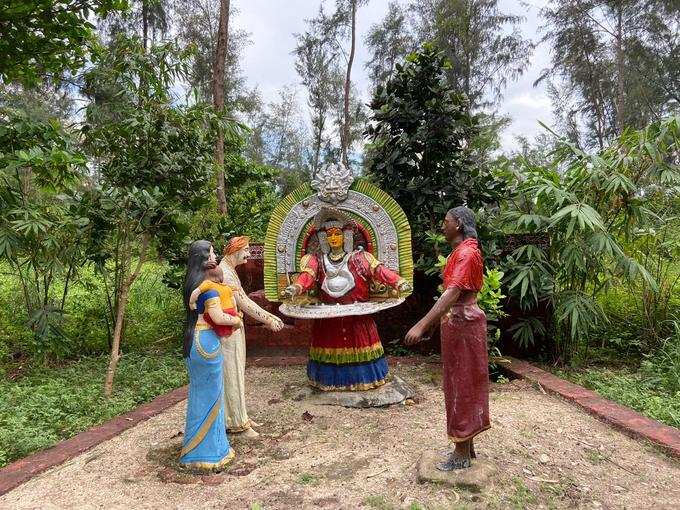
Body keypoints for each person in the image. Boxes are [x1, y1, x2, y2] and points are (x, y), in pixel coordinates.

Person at [284, 208, 411, 391]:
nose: (334, 238)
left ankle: (363, 380)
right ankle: (329, 381)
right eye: (329, 235)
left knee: (360, 343)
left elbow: (379, 271)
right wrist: (295, 287)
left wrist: (398, 282)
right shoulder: (317, 260)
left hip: (357, 316)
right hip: (328, 319)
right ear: (324, 239)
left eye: (337, 233)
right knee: (329, 346)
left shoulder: (360, 257)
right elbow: (307, 276)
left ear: (346, 236)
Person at [405, 207, 490, 470]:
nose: (443, 226)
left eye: (446, 222)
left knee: (462, 384)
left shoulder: (466, 253)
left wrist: (421, 325)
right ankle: (466, 445)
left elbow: (452, 293)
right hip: (461, 321)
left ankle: (462, 451)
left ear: (460, 224)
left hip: (463, 321)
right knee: (461, 382)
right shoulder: (464, 252)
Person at [180, 240, 242, 470]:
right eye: (212, 254)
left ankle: (195, 449)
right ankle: (210, 452)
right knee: (212, 395)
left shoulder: (191, 284)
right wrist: (236, 321)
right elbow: (218, 318)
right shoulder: (209, 288)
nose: (215, 258)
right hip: (206, 342)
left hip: (191, 342)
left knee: (199, 394)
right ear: (204, 259)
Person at [219, 236, 284, 438]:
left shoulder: (229, 270)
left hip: (234, 327)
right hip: (229, 331)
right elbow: (244, 303)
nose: (248, 254)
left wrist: (270, 316)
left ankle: (240, 416)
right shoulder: (226, 274)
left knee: (236, 374)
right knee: (232, 375)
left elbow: (244, 301)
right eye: (246, 250)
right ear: (234, 251)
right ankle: (237, 423)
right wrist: (268, 318)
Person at [188, 265, 239, 338]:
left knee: (209, 319)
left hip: (219, 312)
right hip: (230, 311)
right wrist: (235, 313)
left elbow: (195, 292)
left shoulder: (208, 284)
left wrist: (191, 303)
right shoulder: (227, 287)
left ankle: (222, 333)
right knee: (226, 327)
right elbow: (233, 301)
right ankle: (227, 332)